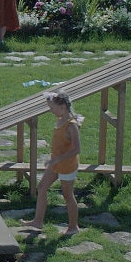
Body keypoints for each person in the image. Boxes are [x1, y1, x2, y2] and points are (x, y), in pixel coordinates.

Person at [22, 92, 82, 234]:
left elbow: (76, 149)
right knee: (42, 187)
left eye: (52, 108)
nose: (50, 110)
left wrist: (57, 159)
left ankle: (74, 227)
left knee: (68, 195)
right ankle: (38, 221)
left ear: (62, 107)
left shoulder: (71, 125)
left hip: (67, 166)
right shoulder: (60, 118)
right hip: (56, 163)